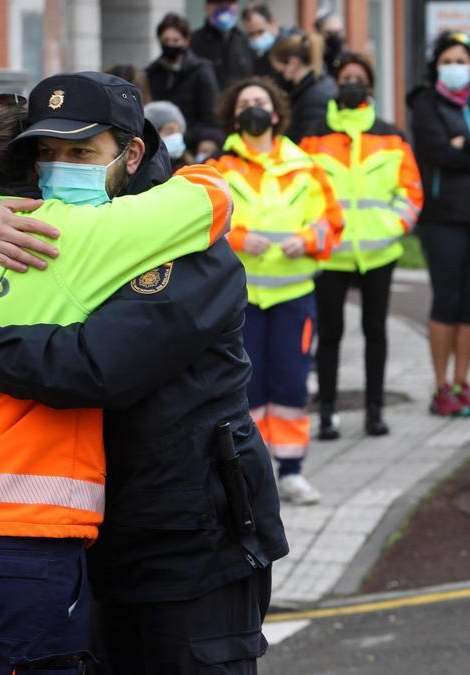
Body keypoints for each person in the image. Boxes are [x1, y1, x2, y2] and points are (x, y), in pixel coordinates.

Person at [0, 72, 290, 673]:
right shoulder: (47, 234)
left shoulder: (181, 246)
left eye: (81, 153)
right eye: (45, 154)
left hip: (187, 543)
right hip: (82, 544)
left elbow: (99, 367)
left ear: (130, 154)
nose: (59, 169)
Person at [209, 77, 344, 505]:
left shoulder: (306, 166)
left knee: (289, 384)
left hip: (292, 296)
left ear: (275, 113)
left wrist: (305, 239)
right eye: (245, 101)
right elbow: (199, 226)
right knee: (245, 387)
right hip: (238, 301)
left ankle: (291, 471)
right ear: (234, 113)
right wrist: (239, 237)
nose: (253, 108)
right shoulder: (217, 169)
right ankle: (250, 472)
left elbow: (332, 223)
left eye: (260, 102)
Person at [300, 53, 423, 440]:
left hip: (378, 252)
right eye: (346, 76)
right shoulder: (314, 136)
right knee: (330, 335)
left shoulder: (391, 135)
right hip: (332, 254)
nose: (352, 82)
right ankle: (328, 412)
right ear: (337, 84)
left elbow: (410, 192)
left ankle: (374, 411)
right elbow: (302, 193)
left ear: (370, 86)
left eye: (359, 77)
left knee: (376, 332)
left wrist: (391, 227)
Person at [406, 31, 470, 418]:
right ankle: (441, 385)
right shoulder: (425, 103)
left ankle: (464, 383)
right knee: (447, 299)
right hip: (442, 216)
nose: (455, 66)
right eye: (448, 60)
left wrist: (468, 145)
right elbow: (438, 152)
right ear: (436, 66)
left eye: (462, 60)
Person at [147, 12, 221, 157]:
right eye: (166, 40)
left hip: (192, 146)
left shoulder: (201, 71)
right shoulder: (153, 72)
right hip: (159, 144)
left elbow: (210, 115)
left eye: (176, 41)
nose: (170, 45)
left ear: (186, 40)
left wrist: (185, 136)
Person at [268, 33, 338, 143]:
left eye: (280, 70)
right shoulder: (313, 86)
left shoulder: (313, 95)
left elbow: (310, 138)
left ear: (292, 62)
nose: (280, 75)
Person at [190, 0, 255, 90]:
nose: (224, 8)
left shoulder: (246, 40)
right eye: (218, 3)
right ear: (207, 8)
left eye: (229, 3)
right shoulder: (193, 41)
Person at [145, 100, 189, 170]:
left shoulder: (191, 168)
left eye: (179, 131)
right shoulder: (146, 172)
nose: (176, 136)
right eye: (169, 131)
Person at [242, 2, 280, 77]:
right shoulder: (253, 55)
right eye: (251, 34)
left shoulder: (291, 48)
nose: (256, 38)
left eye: (260, 32)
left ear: (273, 23)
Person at [315, 10, 347, 78]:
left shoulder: (348, 59)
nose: (334, 37)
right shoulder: (313, 58)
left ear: (344, 32)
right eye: (329, 33)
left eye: (338, 32)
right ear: (320, 33)